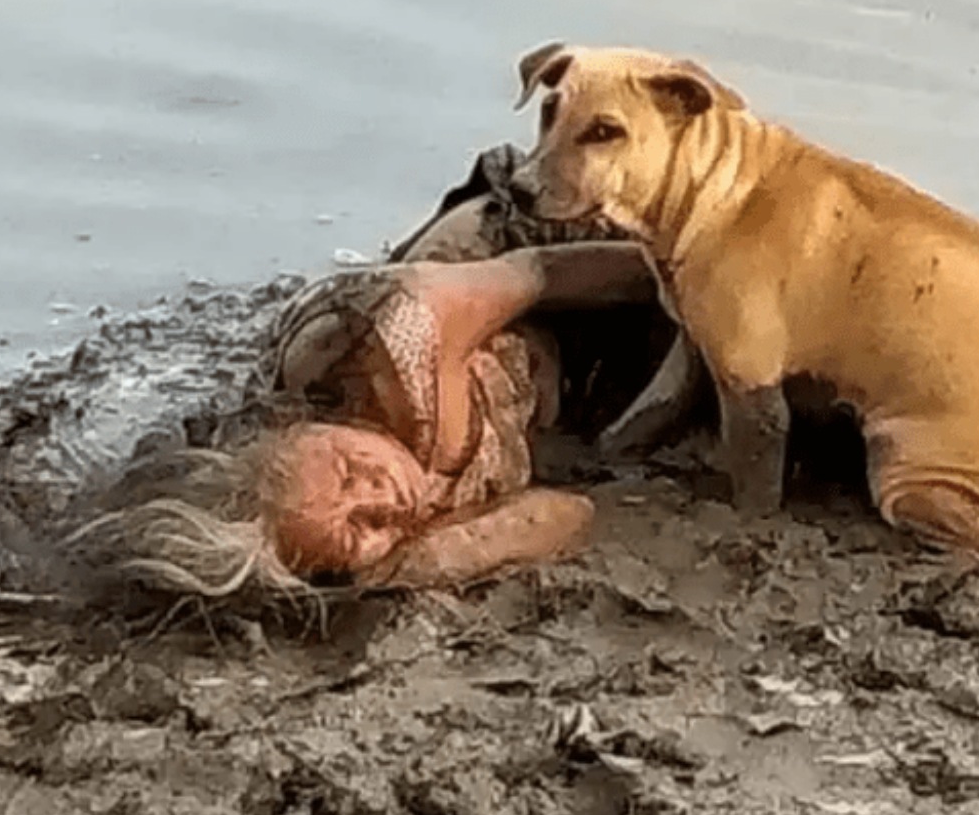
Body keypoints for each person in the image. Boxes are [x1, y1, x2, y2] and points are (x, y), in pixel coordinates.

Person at [66, 155, 671, 600]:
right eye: (358, 534)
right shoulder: (384, 538)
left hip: (534, 259)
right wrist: (422, 560)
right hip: (553, 393)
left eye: (348, 471)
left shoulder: (396, 338)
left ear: (297, 429)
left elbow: (536, 271)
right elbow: (571, 514)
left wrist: (679, 281)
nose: (382, 498)